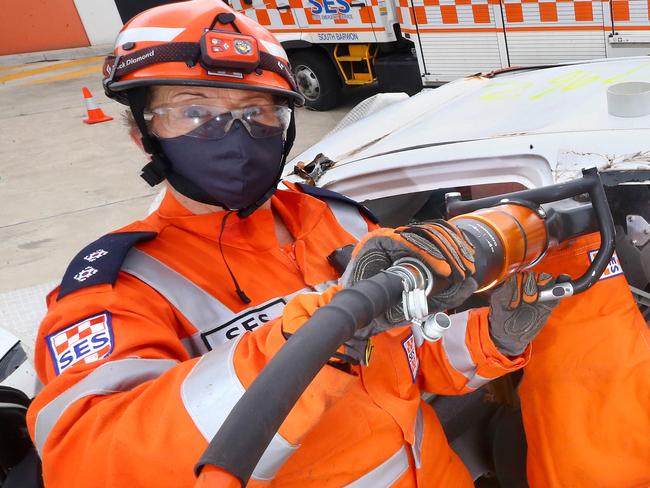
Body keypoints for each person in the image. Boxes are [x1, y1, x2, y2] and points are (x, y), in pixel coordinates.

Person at [25, 1, 650, 487]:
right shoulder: (122, 288)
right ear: (142, 133)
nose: (235, 132)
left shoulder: (339, 221)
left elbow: (407, 359)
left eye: (258, 110)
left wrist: (494, 338)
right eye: (195, 110)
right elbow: (98, 465)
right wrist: (310, 333)